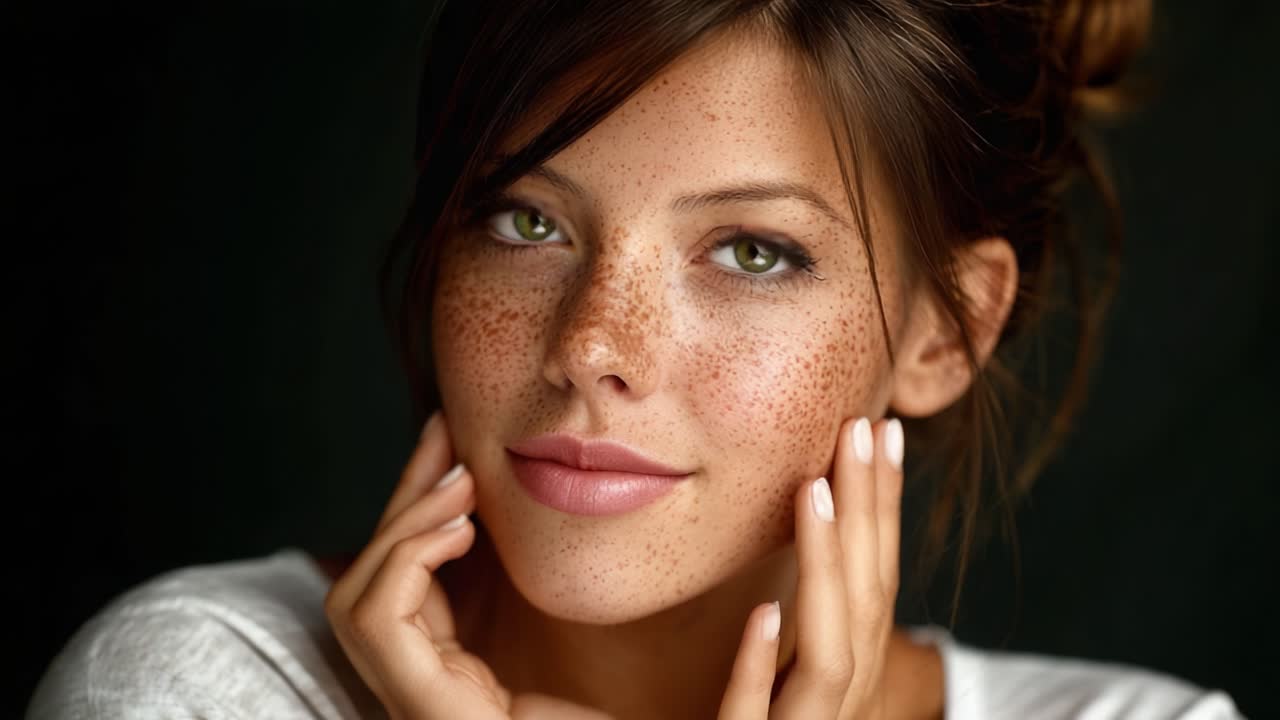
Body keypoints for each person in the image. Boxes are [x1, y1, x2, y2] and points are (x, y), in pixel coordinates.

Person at [27, 0, 1246, 718]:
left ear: (945, 332)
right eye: (527, 221)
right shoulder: (199, 686)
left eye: (753, 252)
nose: (592, 346)